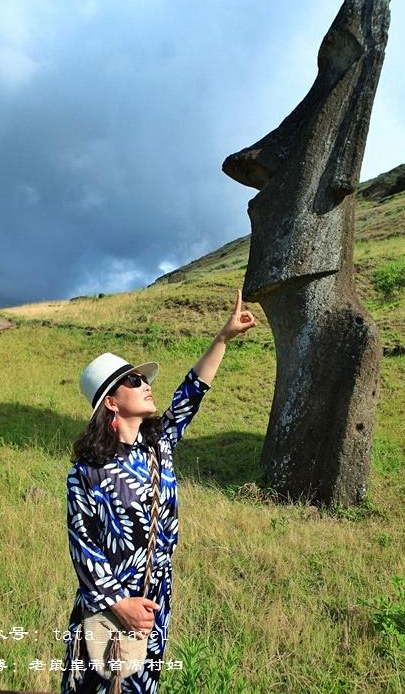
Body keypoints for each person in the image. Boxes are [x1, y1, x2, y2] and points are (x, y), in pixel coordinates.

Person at [60, 289, 256, 694]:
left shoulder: (158, 445)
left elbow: (191, 393)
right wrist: (120, 605)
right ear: (111, 403)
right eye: (133, 381)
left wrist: (223, 337)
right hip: (109, 608)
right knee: (98, 685)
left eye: (143, 378)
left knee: (143, 685)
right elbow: (84, 549)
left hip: (155, 598)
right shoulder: (87, 472)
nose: (145, 383)